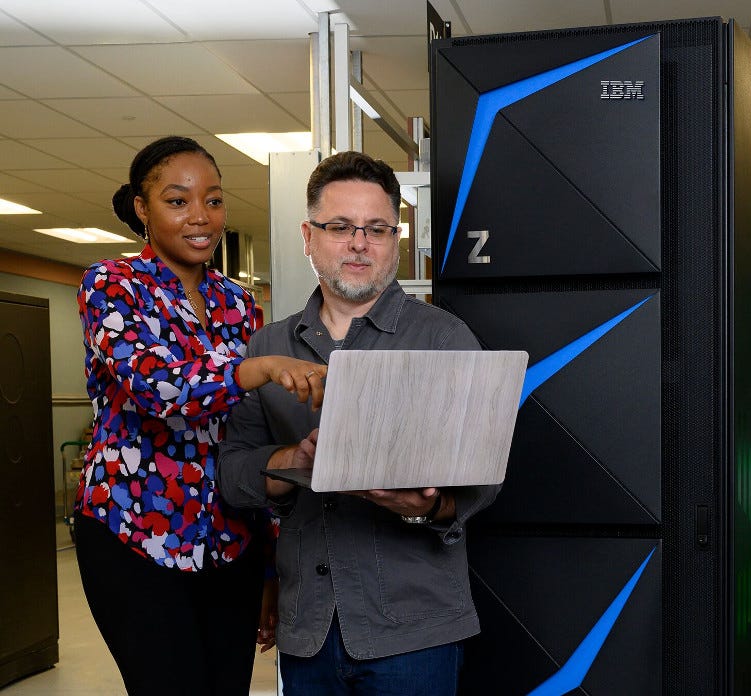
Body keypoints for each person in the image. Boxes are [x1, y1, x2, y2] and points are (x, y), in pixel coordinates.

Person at [217, 151, 499, 695]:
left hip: (415, 634)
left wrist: (427, 506)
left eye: (376, 229)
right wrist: (292, 461)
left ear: (396, 238)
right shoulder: (268, 347)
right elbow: (232, 473)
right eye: (340, 226)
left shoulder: (443, 339)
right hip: (309, 631)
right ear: (308, 235)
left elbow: (484, 479)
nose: (358, 243)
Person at [75, 135, 327, 695]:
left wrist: (269, 565)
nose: (201, 217)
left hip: (229, 536)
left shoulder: (236, 302)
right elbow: (155, 387)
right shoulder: (112, 284)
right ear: (142, 208)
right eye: (178, 200)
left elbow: (246, 436)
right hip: (134, 534)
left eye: (213, 200)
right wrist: (257, 368)